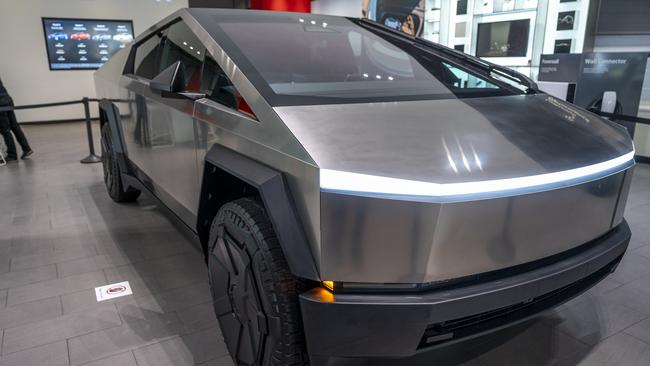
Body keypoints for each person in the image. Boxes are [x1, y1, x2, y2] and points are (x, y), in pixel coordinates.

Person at [0, 77, 32, 163]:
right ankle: (26, 148)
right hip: (7, 101)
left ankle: (12, 155)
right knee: (14, 126)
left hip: (1, 104)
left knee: (5, 130)